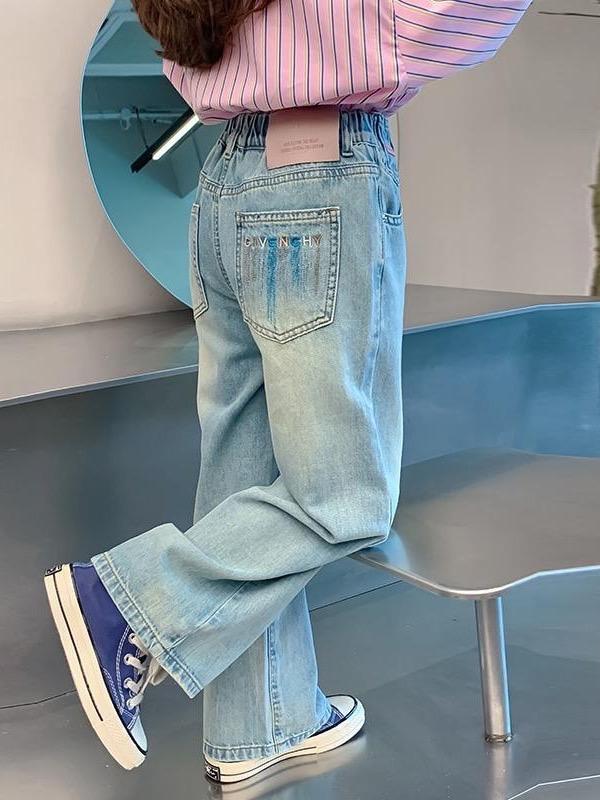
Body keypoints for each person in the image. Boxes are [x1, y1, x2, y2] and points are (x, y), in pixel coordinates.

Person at [44, 0, 533, 785]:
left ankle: (258, 726)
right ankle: (130, 602)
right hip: (320, 179)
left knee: (242, 472)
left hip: (223, 182)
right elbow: (438, 15)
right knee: (344, 496)